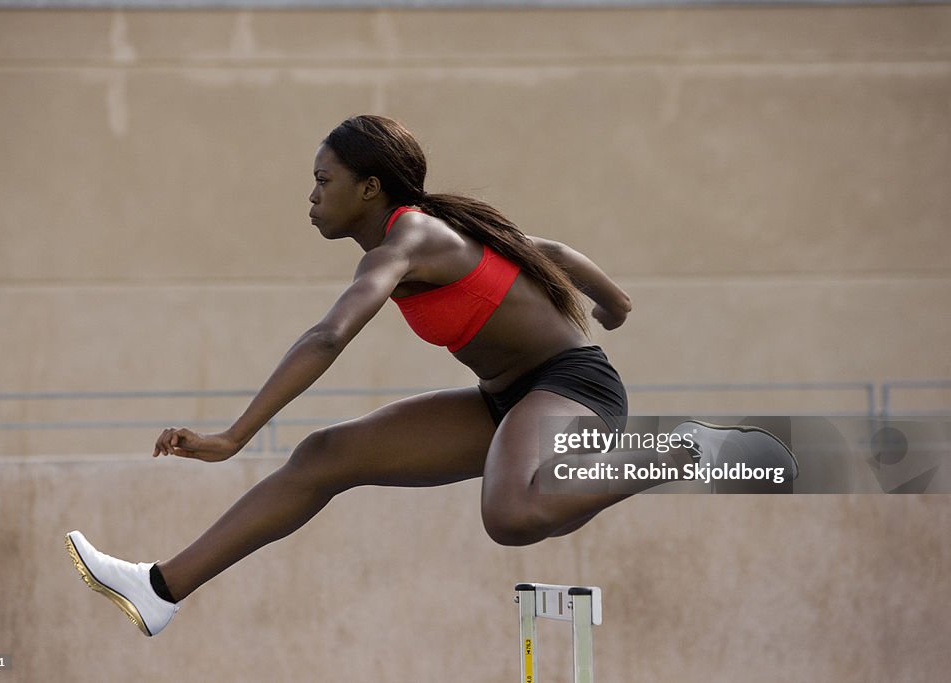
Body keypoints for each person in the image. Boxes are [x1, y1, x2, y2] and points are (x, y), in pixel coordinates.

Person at [65, 114, 797, 637]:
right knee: (326, 455)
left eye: (324, 180)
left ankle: (688, 448)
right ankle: (160, 587)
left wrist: (233, 437)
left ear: (371, 188)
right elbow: (551, 252)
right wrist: (616, 302)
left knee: (510, 513)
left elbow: (329, 334)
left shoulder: (406, 237)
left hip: (571, 386)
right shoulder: (439, 228)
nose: (312, 195)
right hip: (505, 399)